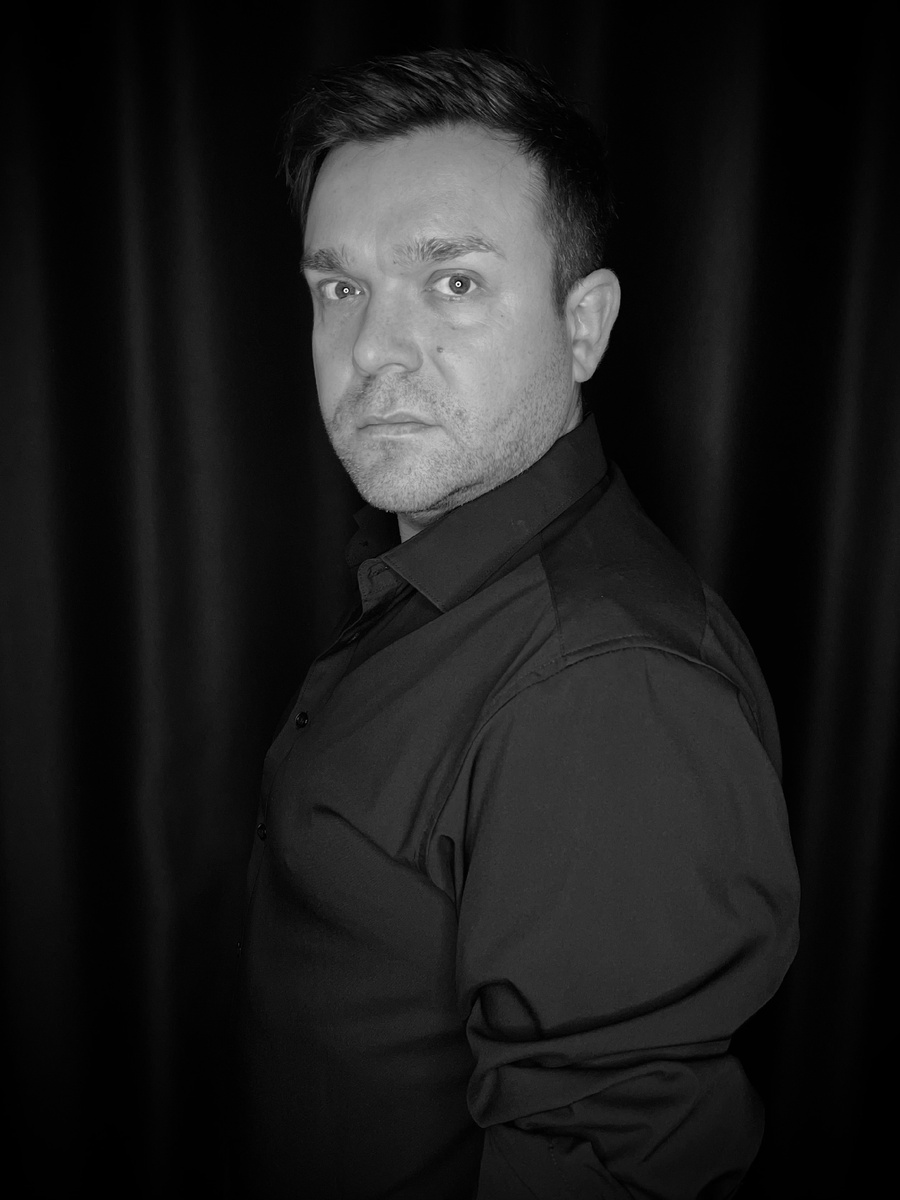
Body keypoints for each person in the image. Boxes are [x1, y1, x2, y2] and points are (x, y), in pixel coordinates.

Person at [234, 47, 800, 1199]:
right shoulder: (432, 577)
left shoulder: (606, 687)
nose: (373, 348)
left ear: (583, 326)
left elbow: (610, 1167)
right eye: (341, 288)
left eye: (452, 281)